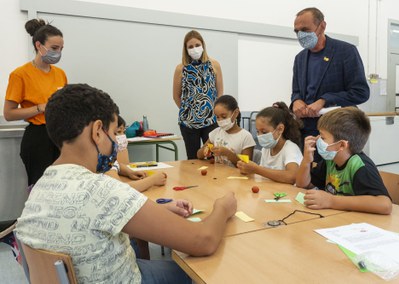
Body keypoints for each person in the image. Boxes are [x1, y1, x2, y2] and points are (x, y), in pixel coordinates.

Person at [15, 84, 237, 283]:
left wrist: (158, 210)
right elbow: (203, 241)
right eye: (114, 133)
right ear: (97, 131)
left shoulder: (42, 184)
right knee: (201, 271)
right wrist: (222, 207)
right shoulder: (101, 189)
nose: (116, 142)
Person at [290, 7, 370, 160]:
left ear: (322, 26)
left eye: (305, 29)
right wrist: (296, 101)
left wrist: (324, 100)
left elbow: (361, 92)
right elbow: (296, 91)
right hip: (308, 130)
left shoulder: (345, 51)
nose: (301, 35)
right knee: (311, 177)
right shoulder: (300, 58)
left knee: (337, 179)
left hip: (337, 133)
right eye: (297, 31)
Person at [3, 19, 67, 186]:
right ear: (39, 46)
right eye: (54, 48)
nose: (58, 52)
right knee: (40, 188)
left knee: (61, 186)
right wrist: (40, 108)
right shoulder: (20, 74)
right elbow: (9, 114)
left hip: (60, 135)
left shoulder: (60, 74)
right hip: (38, 137)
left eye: (61, 49)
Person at [295, 107, 392, 215]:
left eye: (322, 137)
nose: (317, 139)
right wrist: (306, 160)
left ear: (341, 145)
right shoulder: (331, 160)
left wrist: (331, 201)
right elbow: (302, 184)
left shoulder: (360, 166)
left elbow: (385, 205)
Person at [173, 30, 223, 159]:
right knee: (193, 159)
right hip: (188, 123)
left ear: (203, 45)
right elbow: (176, 96)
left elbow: (220, 93)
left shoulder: (214, 65)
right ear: (186, 49)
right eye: (190, 46)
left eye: (197, 45)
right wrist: (189, 111)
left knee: (211, 157)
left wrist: (214, 114)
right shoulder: (181, 68)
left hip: (211, 121)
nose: (194, 49)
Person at [237, 102, 303, 184]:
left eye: (264, 132)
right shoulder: (266, 149)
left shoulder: (290, 148)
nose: (260, 136)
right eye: (258, 131)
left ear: (280, 129)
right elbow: (262, 176)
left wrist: (256, 169)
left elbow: (292, 177)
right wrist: (248, 169)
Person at [106, 115, 167, 193]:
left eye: (123, 132)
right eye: (116, 132)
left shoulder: (108, 158)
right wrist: (153, 180)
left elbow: (115, 164)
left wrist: (130, 172)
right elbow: (121, 190)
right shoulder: (101, 163)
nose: (122, 136)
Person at [197, 95, 255, 166]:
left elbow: (247, 166)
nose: (220, 120)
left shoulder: (245, 136)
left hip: (236, 176)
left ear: (236, 113)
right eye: (217, 117)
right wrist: (206, 151)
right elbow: (199, 155)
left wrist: (228, 153)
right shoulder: (216, 133)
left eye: (224, 116)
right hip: (218, 175)